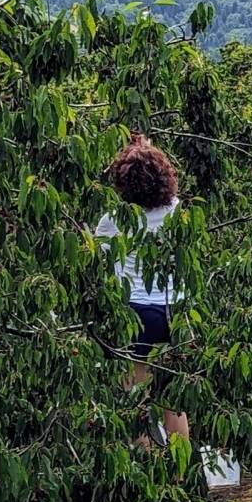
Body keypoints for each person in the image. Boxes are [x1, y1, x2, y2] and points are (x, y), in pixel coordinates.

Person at [95, 133, 188, 441]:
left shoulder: (111, 222)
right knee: (174, 403)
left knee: (136, 401)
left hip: (134, 315)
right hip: (172, 310)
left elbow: (100, 271)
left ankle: (149, 476)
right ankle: (180, 475)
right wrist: (146, 149)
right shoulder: (176, 211)